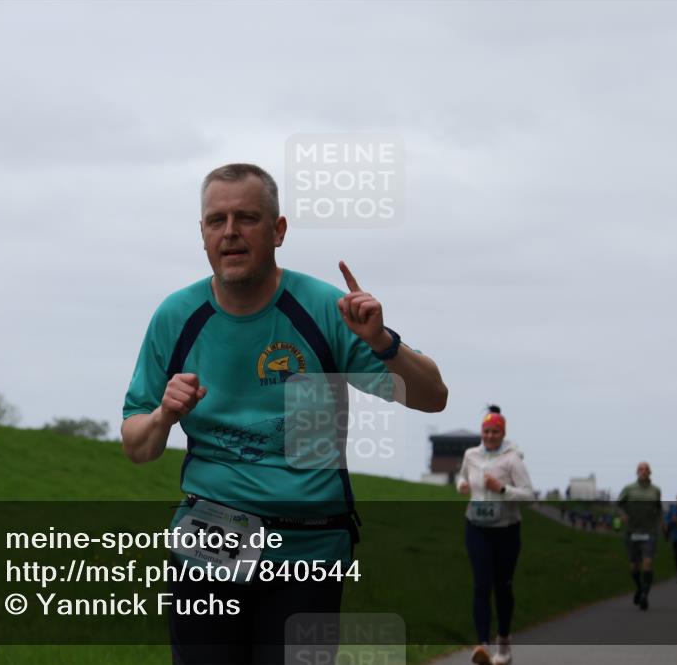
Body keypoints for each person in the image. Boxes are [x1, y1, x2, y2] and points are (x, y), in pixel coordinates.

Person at [121, 163, 448, 664]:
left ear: (278, 231)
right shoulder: (176, 316)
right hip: (209, 543)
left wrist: (382, 341)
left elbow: (432, 396)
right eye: (216, 220)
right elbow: (136, 446)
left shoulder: (325, 309)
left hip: (308, 549)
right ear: (202, 233)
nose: (230, 232)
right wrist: (164, 415)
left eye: (247, 218)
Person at [457, 405, 534, 665]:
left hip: (506, 531)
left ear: (503, 433)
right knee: (481, 585)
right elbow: (462, 477)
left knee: (503, 587)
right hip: (476, 527)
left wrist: (502, 489)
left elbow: (529, 495)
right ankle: (482, 645)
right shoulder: (471, 455)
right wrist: (462, 485)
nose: (490, 436)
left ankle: (503, 642)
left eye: (495, 432)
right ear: (482, 432)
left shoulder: (513, 460)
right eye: (486, 431)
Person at [617, 462, 663, 610]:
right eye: (641, 469)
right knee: (634, 566)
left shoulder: (656, 490)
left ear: (650, 472)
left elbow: (659, 509)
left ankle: (644, 595)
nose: (643, 472)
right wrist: (623, 515)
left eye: (646, 469)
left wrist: (662, 523)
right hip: (632, 531)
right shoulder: (629, 489)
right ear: (637, 472)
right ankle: (639, 587)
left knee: (648, 563)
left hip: (649, 531)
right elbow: (619, 504)